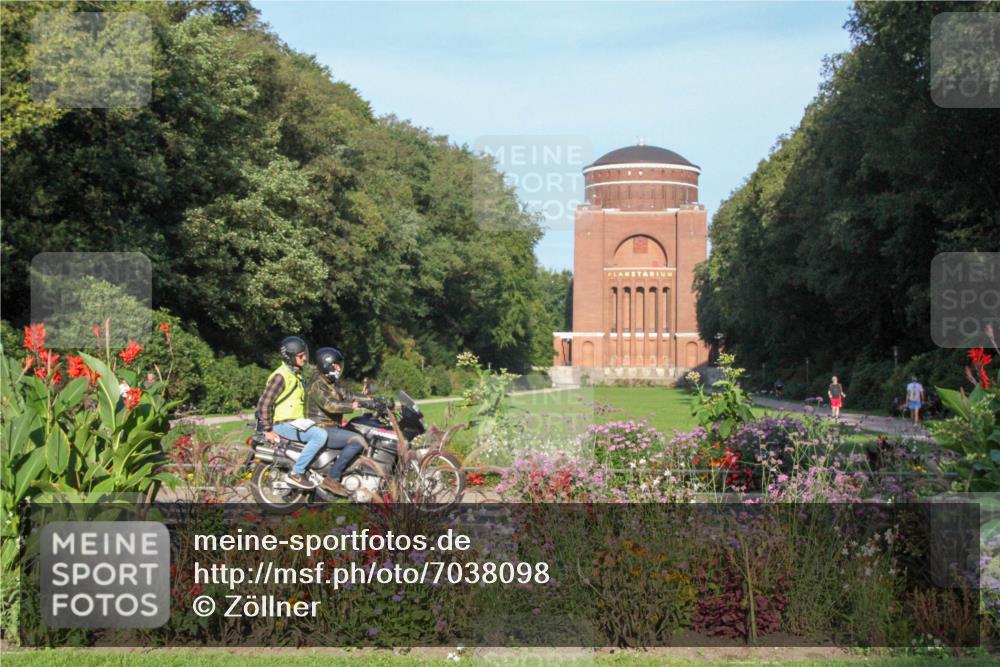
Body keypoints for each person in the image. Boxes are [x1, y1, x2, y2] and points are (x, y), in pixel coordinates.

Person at [256, 336, 328, 490]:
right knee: (320, 435)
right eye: (301, 356)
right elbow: (264, 403)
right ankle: (297, 473)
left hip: (295, 423)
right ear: (290, 357)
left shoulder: (296, 375)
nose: (305, 358)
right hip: (283, 424)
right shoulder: (281, 376)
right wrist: (268, 430)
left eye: (305, 354)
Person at [306, 347, 366, 497]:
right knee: (358, 440)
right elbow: (330, 405)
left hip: (330, 427)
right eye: (337, 365)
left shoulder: (331, 383)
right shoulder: (317, 384)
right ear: (327, 365)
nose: (339, 369)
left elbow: (350, 395)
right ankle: (332, 478)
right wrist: (351, 406)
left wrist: (372, 401)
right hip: (321, 428)